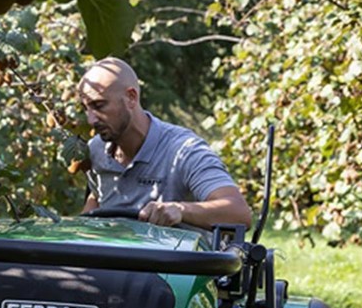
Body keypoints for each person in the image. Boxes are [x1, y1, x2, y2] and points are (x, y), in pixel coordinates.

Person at [78, 57, 251, 230]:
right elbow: (97, 198)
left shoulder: (183, 151)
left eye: (99, 106)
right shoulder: (96, 149)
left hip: (174, 256)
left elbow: (239, 214)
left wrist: (181, 210)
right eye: (86, 108)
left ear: (131, 97)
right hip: (114, 255)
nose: (91, 119)